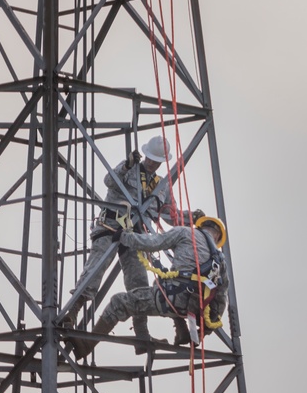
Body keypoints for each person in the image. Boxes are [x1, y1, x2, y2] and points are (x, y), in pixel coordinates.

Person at [64, 135, 200, 354]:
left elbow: (170, 216)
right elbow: (109, 180)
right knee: (95, 270)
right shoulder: (130, 169)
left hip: (136, 237)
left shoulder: (161, 186)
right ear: (145, 155)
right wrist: (127, 164)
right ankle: (72, 313)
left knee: (139, 284)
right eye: (150, 159)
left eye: (157, 161)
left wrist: (191, 217)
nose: (152, 163)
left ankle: (142, 336)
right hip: (111, 227)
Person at [69, 216, 229, 360]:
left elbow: (152, 243)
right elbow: (221, 299)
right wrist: (204, 332)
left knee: (119, 303)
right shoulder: (220, 261)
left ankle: (86, 346)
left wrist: (125, 237)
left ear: (200, 226)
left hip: (170, 299)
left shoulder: (186, 233)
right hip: (191, 308)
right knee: (160, 282)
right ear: (217, 237)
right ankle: (182, 332)